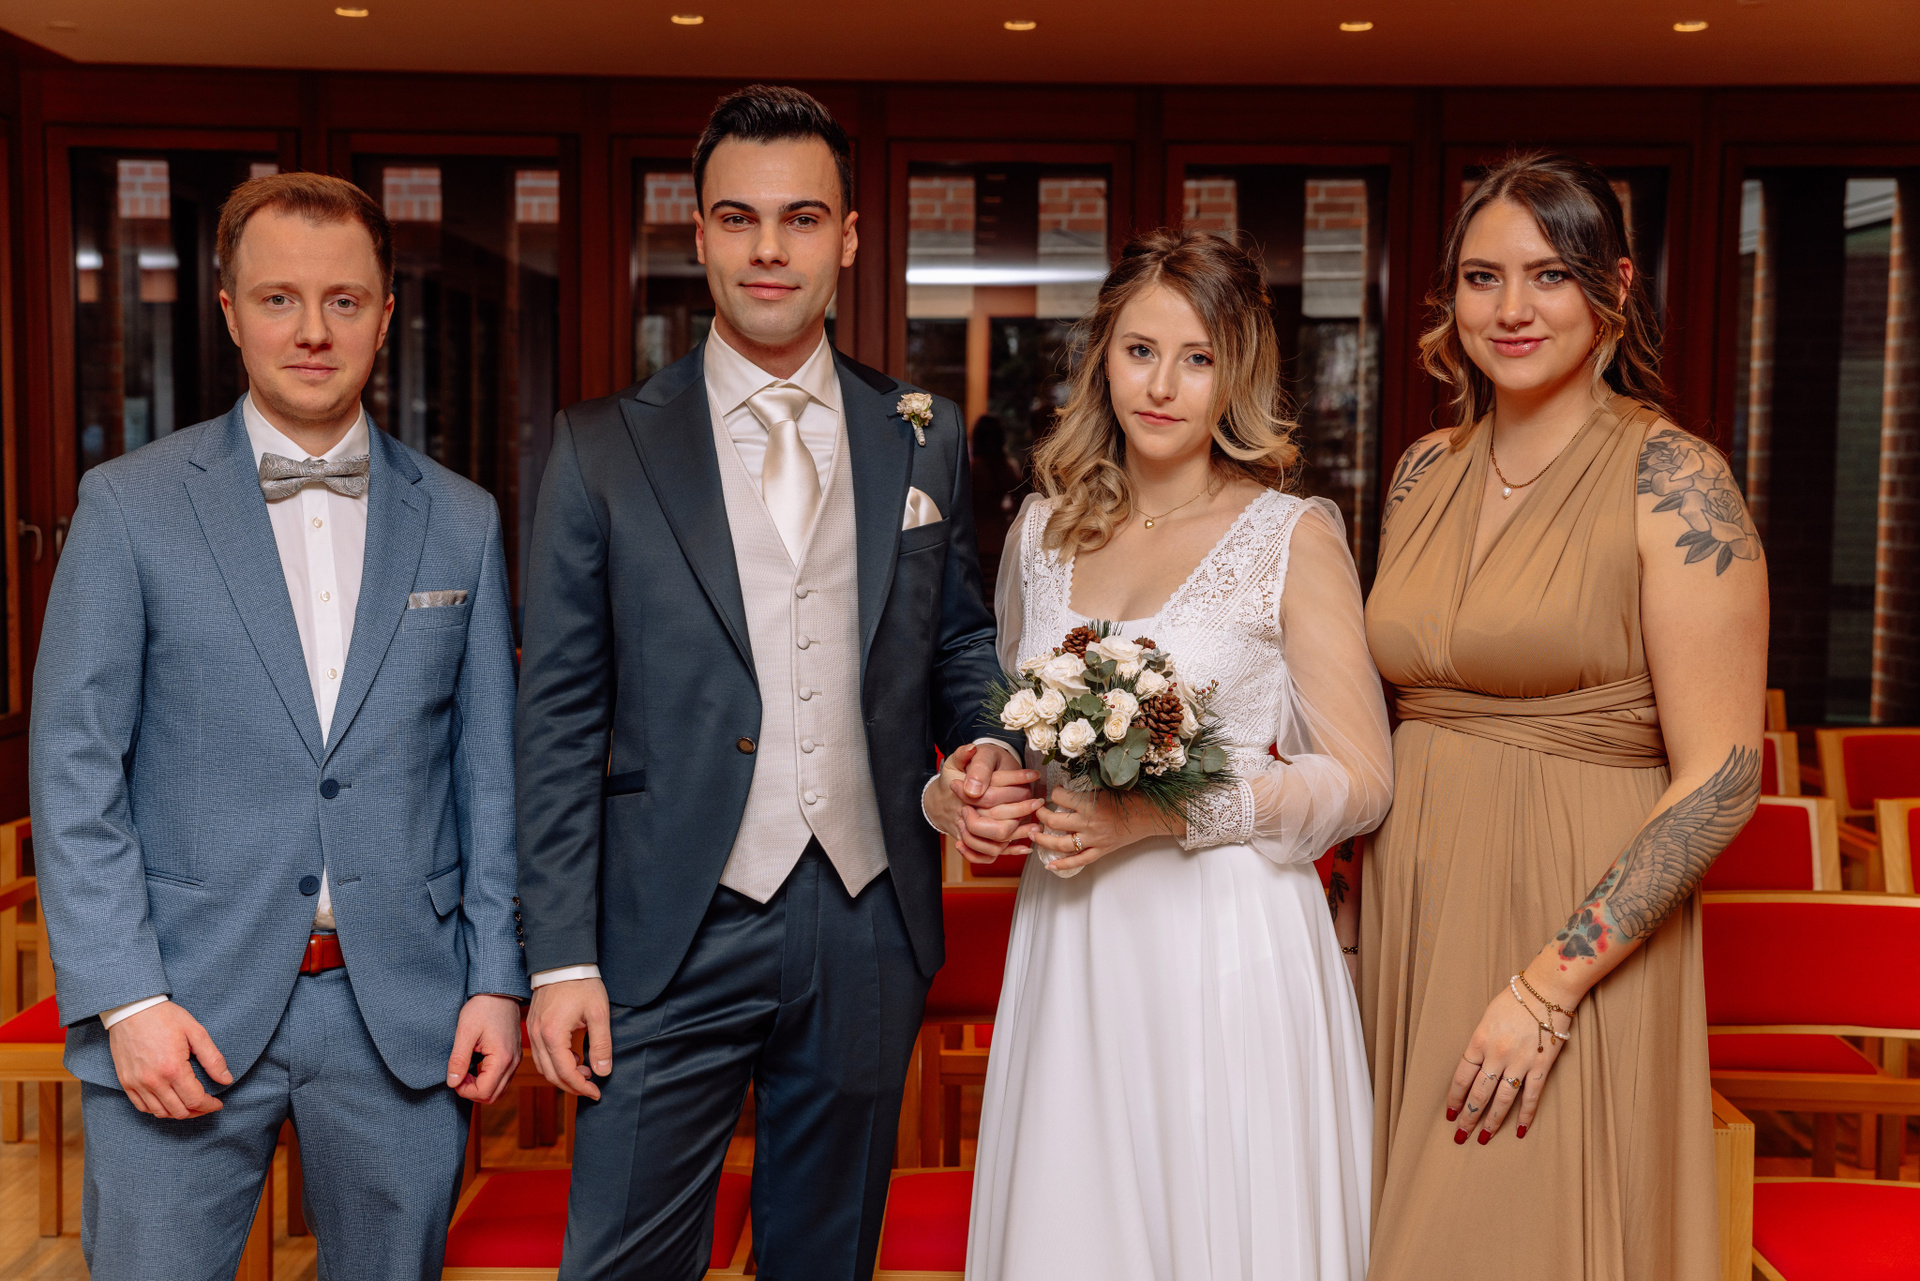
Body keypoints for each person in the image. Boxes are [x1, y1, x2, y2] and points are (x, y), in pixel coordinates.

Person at [514, 85, 1031, 1280]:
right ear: (698, 234)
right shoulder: (601, 447)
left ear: (846, 237)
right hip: (663, 927)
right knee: (625, 1263)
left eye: (801, 219)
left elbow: (955, 641)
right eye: (738, 218)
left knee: (826, 1259)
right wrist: (560, 958)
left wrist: (992, 738)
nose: (768, 249)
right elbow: (557, 724)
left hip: (866, 917)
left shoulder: (921, 433)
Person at [28, 171, 527, 1279]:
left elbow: (488, 776)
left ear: (385, 315)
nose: (312, 330)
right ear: (228, 311)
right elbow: (72, 768)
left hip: (402, 1016)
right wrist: (127, 997)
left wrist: (497, 977)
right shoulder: (128, 505)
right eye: (278, 299)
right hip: (181, 1006)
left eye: (344, 300)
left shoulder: (462, 519)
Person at [1361, 152, 1767, 1279]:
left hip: (1568, 928)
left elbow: (1725, 774)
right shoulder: (1421, 472)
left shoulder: (1674, 479)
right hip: (1411, 921)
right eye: (1483, 278)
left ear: (1615, 286)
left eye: (1549, 275)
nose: (1513, 308)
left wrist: (1549, 985)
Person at [965, 228, 1391, 1280]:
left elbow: (1361, 780)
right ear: (1102, 358)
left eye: (1197, 358)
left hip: (1227, 939)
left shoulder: (1290, 537)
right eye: (1140, 351)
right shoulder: (1041, 531)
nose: (1162, 386)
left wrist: (1162, 814)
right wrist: (972, 796)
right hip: (1074, 938)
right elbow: (1021, 737)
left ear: (1236, 374)